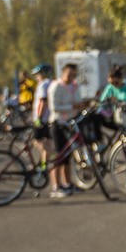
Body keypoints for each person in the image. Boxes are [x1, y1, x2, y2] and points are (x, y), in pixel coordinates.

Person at [47, 63, 87, 198]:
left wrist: (81, 105)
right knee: (58, 156)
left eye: (74, 75)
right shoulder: (56, 86)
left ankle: (67, 183)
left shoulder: (74, 86)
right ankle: (55, 186)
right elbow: (54, 107)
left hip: (69, 123)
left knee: (67, 156)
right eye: (69, 74)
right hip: (57, 123)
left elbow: (78, 102)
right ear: (62, 73)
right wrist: (73, 106)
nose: (71, 77)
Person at [31, 64, 53, 170]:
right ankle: (44, 164)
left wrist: (39, 118)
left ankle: (46, 163)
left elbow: (42, 102)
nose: (36, 77)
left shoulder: (43, 85)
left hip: (42, 119)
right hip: (47, 118)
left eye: (37, 75)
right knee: (46, 142)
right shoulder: (50, 83)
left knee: (38, 142)